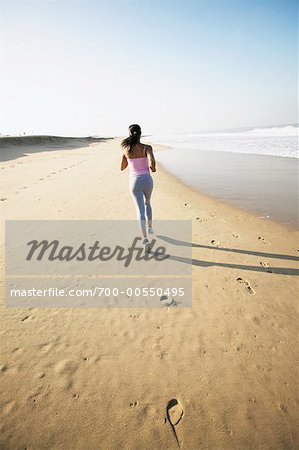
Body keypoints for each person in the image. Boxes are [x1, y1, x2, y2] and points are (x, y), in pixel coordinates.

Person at [120, 124, 156, 252]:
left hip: (134, 181)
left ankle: (145, 240)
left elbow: (122, 167)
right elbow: (152, 161)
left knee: (139, 211)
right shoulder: (147, 148)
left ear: (129, 135)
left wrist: (128, 158)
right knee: (148, 203)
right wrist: (153, 168)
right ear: (140, 134)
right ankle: (150, 228)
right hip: (147, 180)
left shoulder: (126, 150)